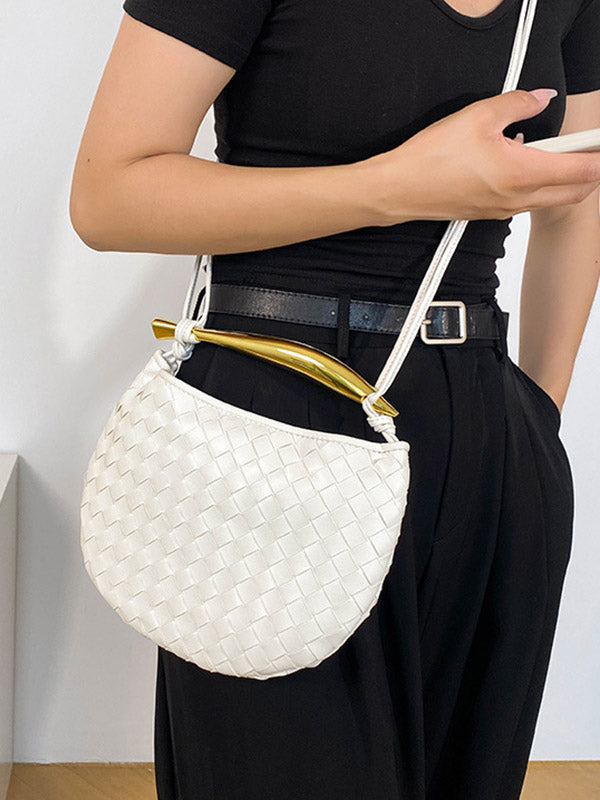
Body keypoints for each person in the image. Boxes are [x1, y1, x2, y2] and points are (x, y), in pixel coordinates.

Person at [69, 0, 600, 797]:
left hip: (487, 436)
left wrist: (539, 417)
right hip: (269, 428)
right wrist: (396, 186)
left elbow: (579, 189)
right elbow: (108, 195)